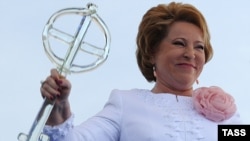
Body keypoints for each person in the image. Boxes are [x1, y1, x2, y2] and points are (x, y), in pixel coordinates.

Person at [40, 2, 242, 141]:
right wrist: (59, 106)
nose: (190, 54)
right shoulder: (126, 104)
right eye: (179, 43)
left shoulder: (226, 115)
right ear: (152, 52)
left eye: (199, 47)